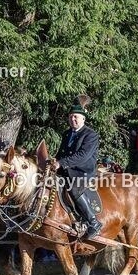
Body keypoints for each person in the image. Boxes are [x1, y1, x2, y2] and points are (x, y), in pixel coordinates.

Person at [52, 96, 102, 239]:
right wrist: (54, 161)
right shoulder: (67, 133)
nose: (73, 119)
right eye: (71, 117)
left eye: (76, 117)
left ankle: (93, 222)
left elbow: (83, 156)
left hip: (83, 172)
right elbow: (62, 153)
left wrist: (61, 163)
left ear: (83, 119)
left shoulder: (91, 135)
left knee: (74, 189)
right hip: (66, 171)